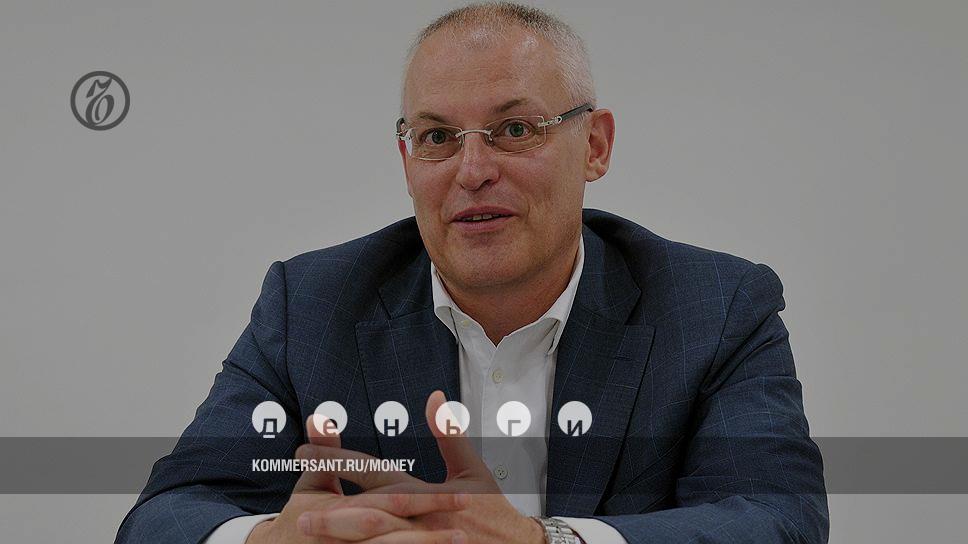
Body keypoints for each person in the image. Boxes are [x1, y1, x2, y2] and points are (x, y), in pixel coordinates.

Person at [116, 3, 828, 543]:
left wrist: (546, 542)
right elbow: (164, 517)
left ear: (595, 146)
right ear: (407, 164)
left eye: (515, 130)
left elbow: (777, 520)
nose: (474, 170)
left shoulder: (715, 308)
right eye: (437, 138)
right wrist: (266, 541)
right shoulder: (310, 306)